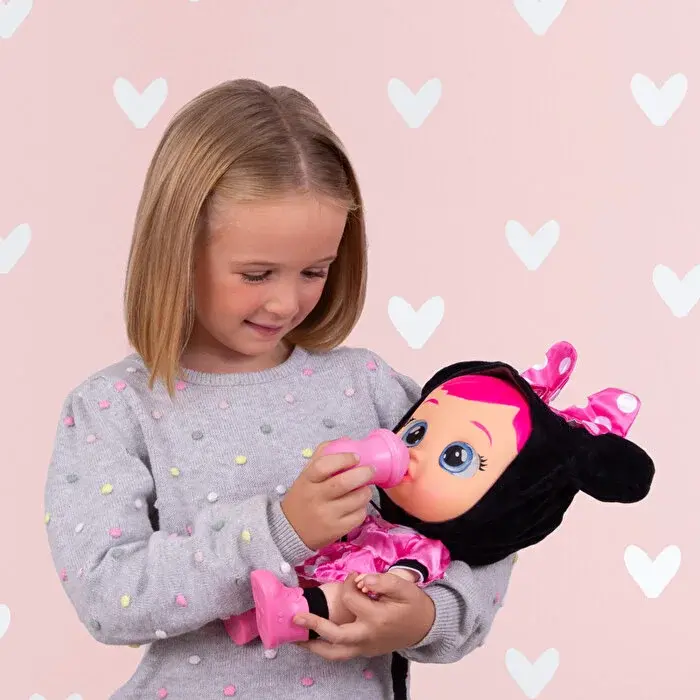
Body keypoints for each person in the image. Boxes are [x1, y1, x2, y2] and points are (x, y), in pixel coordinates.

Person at [43, 78, 514, 699]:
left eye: (314, 271)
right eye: (256, 273)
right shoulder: (115, 409)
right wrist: (278, 530)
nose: (286, 302)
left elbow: (486, 521)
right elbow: (108, 596)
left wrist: (429, 616)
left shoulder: (368, 388)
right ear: (177, 251)